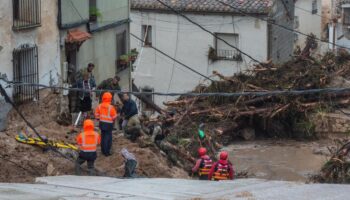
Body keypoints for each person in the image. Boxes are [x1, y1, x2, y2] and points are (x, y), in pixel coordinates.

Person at [95, 92, 117, 156]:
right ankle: (107, 152)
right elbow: (114, 117)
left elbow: (96, 115)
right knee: (108, 138)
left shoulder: (99, 106)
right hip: (109, 124)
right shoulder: (111, 107)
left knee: (103, 136)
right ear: (110, 98)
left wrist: (99, 118)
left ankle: (103, 150)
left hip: (102, 123)